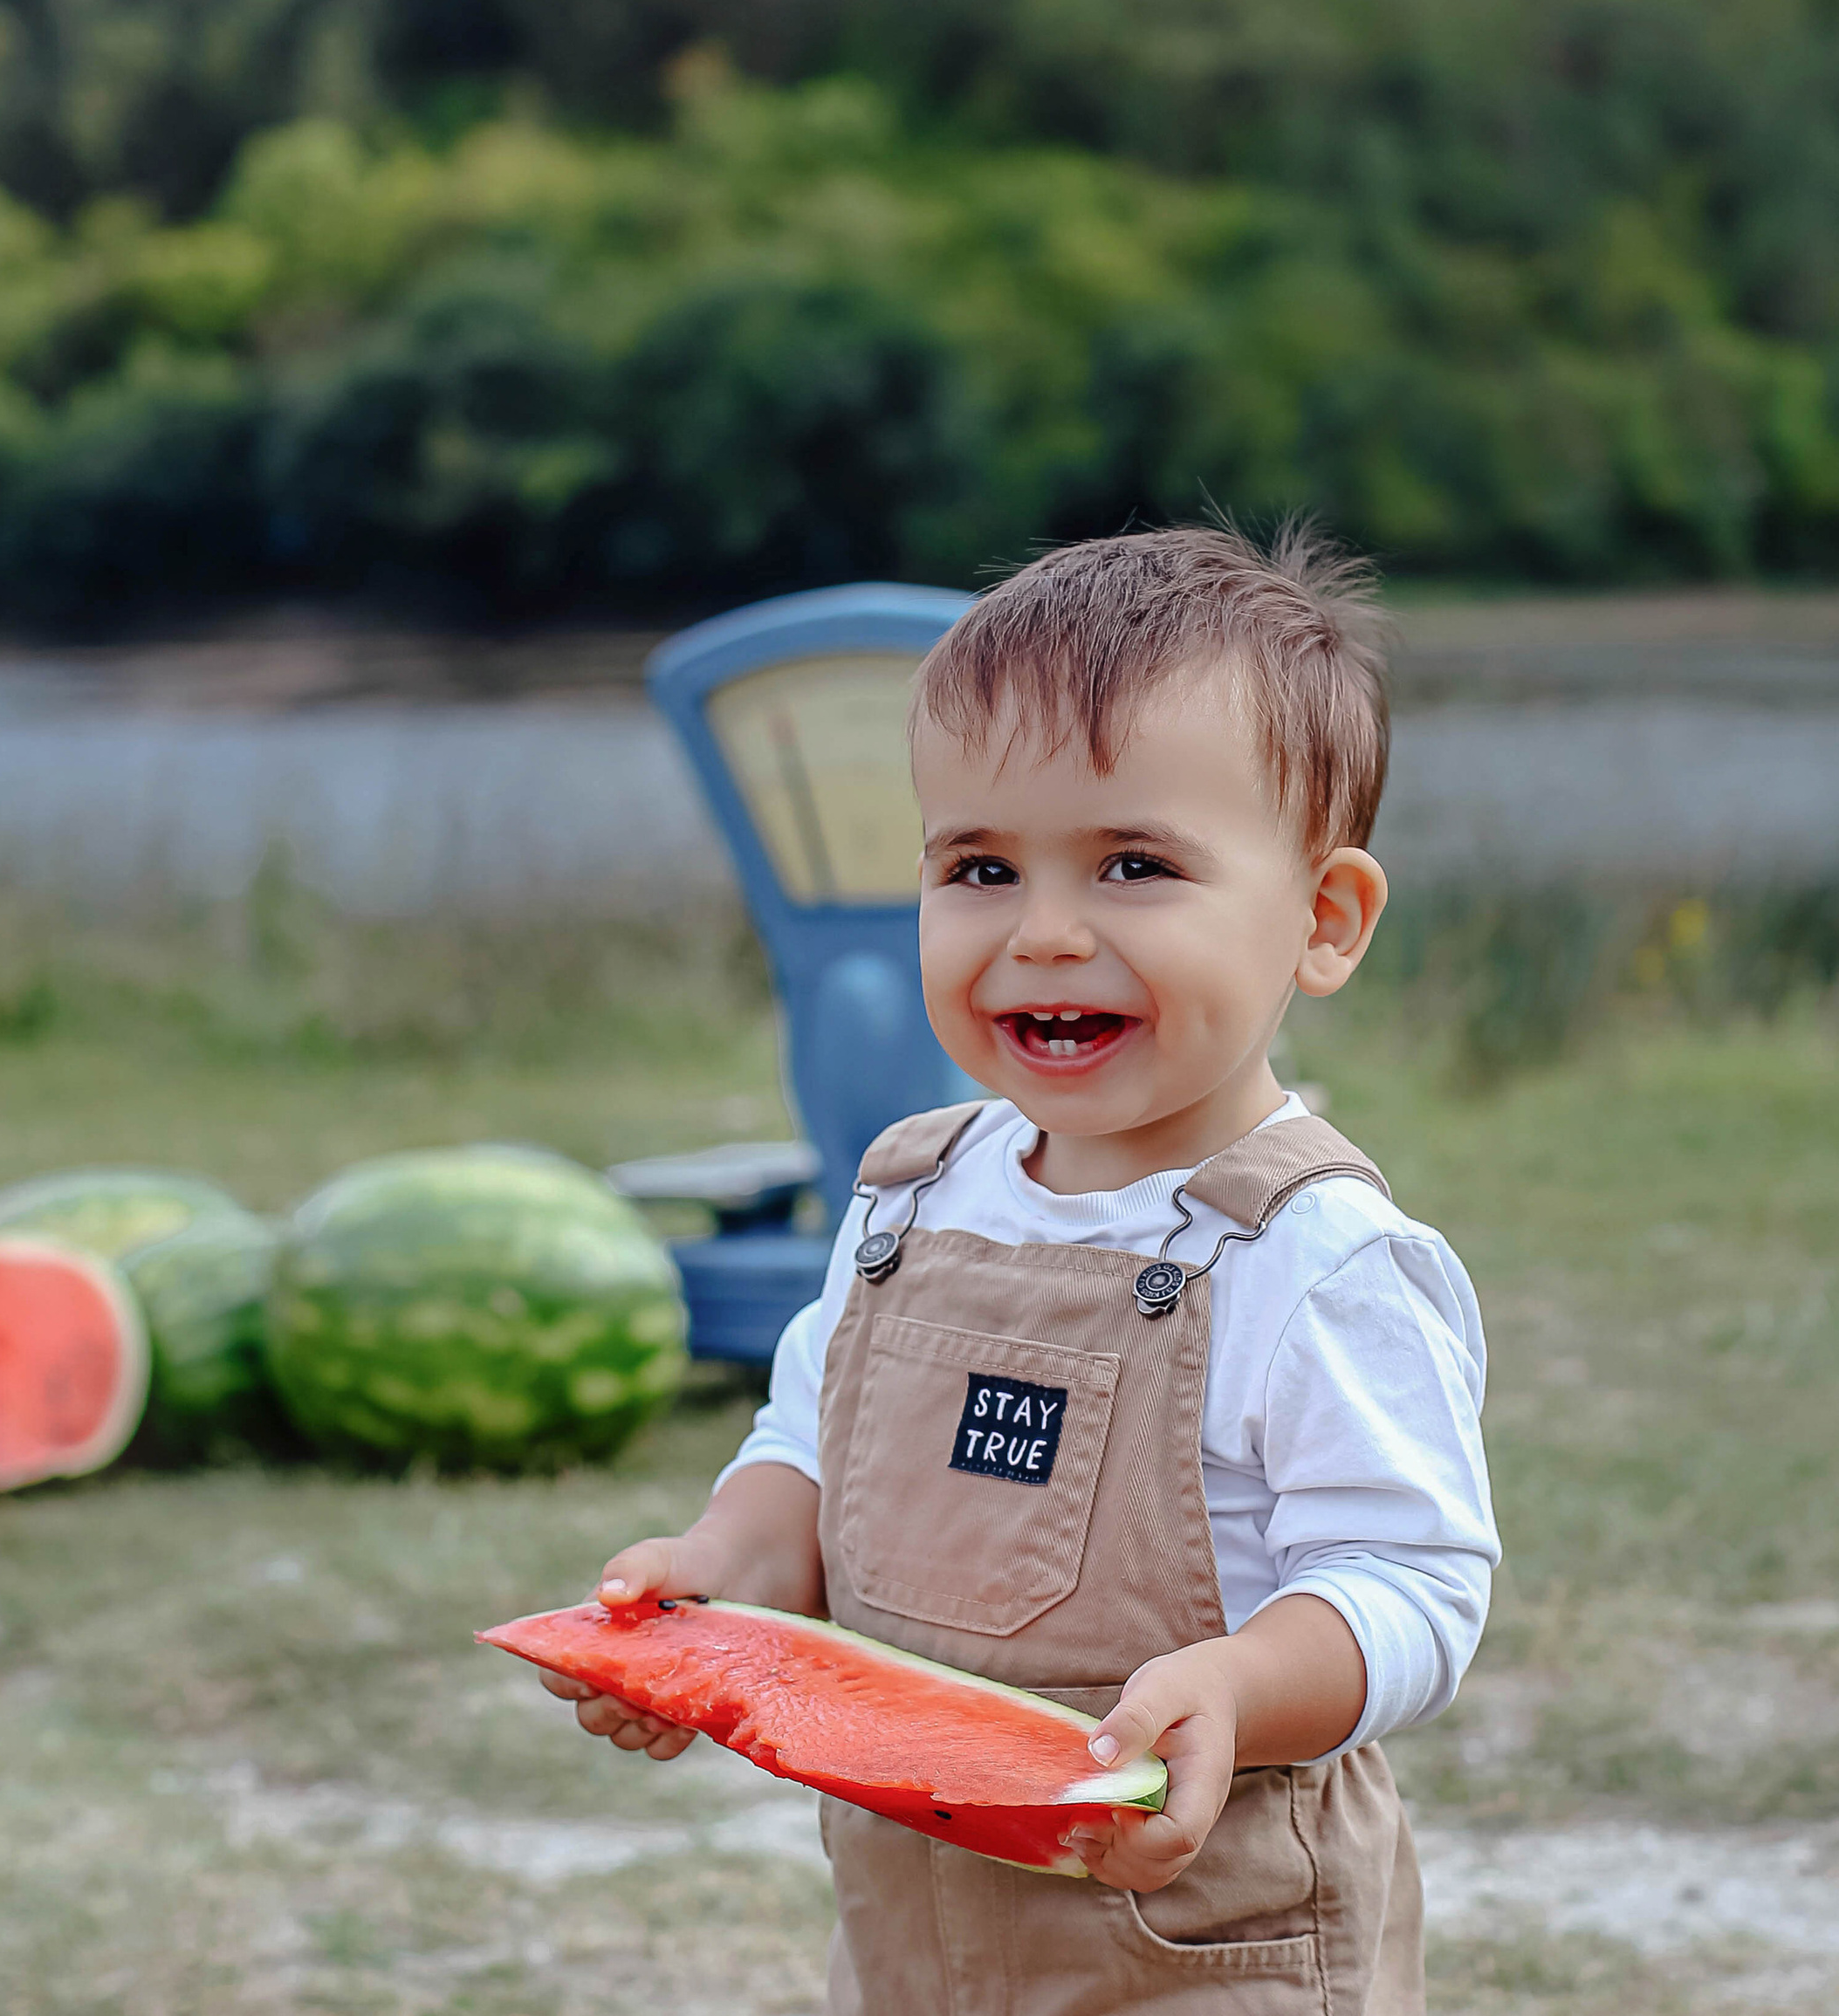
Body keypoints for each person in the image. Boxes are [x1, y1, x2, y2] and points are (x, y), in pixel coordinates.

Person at [546, 524, 1499, 2011]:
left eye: (1135, 864)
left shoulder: (1312, 1256)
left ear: (1323, 922)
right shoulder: (911, 1199)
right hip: (912, 1929)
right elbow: (812, 1445)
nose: (1045, 934)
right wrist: (720, 1577)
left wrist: (1239, 1691)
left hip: (1204, 1937)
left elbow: (1411, 1584)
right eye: (980, 867)